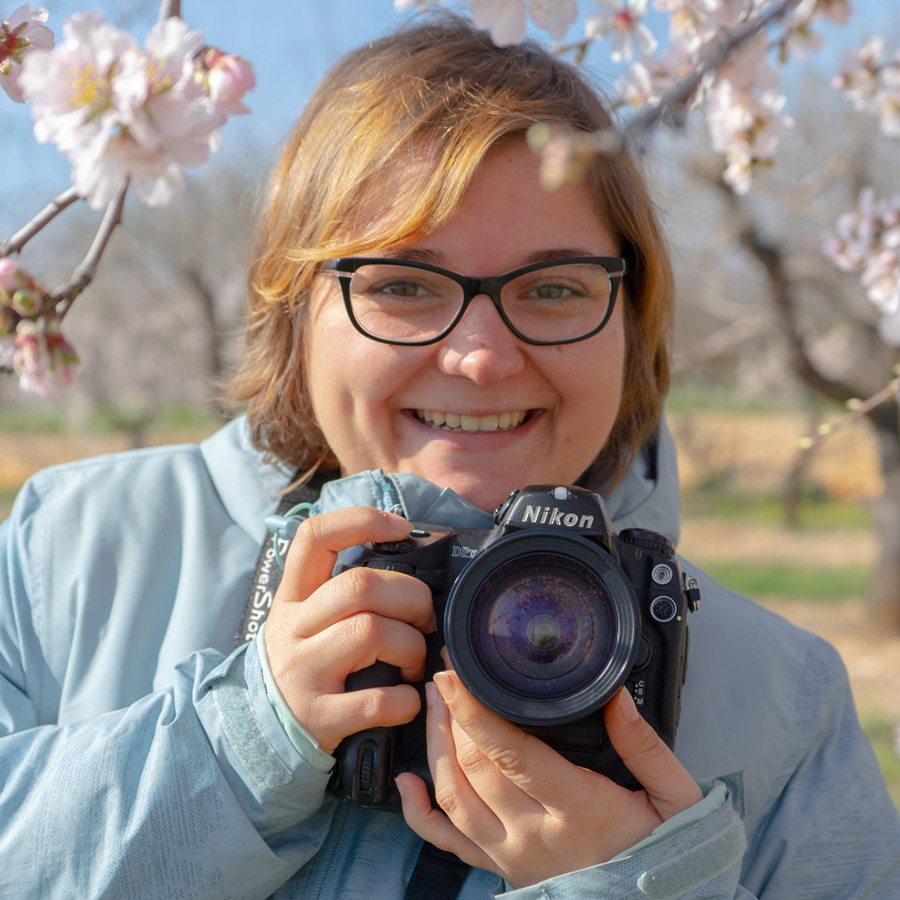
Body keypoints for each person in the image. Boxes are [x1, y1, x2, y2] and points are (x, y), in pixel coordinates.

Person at [0, 12, 898, 900]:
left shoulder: (785, 701)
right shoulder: (70, 554)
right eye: (401, 284)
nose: (480, 355)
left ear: (633, 316)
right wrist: (236, 746)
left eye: (553, 289)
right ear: (290, 305)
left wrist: (643, 887)